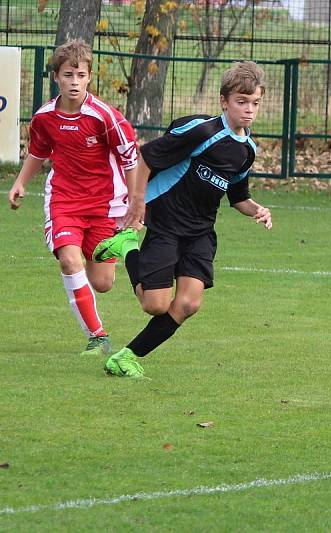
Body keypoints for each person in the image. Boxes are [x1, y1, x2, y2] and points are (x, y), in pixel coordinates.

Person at [93, 60, 273, 379]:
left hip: (201, 231)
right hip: (166, 221)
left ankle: (126, 357)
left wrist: (257, 209)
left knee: (189, 303)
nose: (248, 110)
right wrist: (137, 203)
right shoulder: (202, 131)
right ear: (224, 101)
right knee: (155, 305)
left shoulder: (248, 151)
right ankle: (126, 246)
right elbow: (146, 156)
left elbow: (238, 196)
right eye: (241, 102)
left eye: (255, 103)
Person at [7, 39, 138, 357]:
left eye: (80, 75)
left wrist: (135, 201)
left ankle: (115, 245)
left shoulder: (105, 116)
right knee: (69, 260)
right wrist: (20, 182)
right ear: (56, 77)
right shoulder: (44, 118)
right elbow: (38, 151)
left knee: (104, 282)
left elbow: (130, 157)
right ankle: (97, 336)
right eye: (68, 75)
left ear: (89, 77)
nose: (74, 81)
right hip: (63, 201)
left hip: (105, 203)